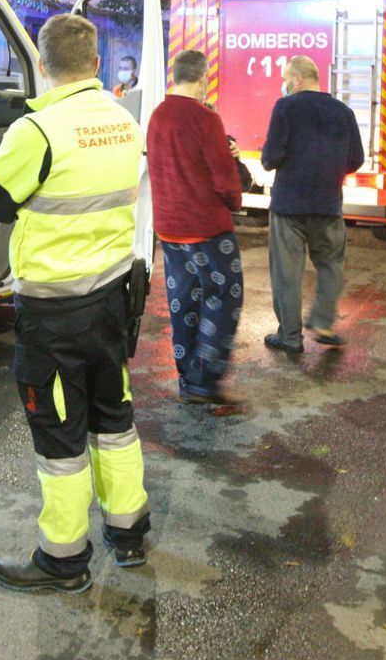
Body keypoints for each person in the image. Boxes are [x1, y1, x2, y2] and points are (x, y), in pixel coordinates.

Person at [0, 13, 151, 593]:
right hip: (109, 302)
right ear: (97, 63)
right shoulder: (123, 121)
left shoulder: (37, 130)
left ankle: (63, 559)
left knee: (59, 439)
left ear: (44, 66)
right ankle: (128, 535)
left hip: (54, 313)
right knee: (114, 422)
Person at [146, 48, 246, 407]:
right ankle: (205, 377)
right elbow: (223, 180)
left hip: (169, 228)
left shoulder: (157, 116)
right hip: (205, 227)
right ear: (202, 78)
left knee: (182, 300)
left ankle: (187, 376)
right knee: (224, 295)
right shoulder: (205, 119)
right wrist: (236, 200)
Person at [260, 54, 365, 354]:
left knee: (287, 272)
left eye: (285, 79)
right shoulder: (343, 111)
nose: (284, 85)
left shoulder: (286, 107)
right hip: (329, 205)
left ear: (296, 79)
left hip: (289, 206)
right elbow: (356, 158)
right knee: (332, 264)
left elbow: (271, 158)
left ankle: (290, 338)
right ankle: (322, 321)